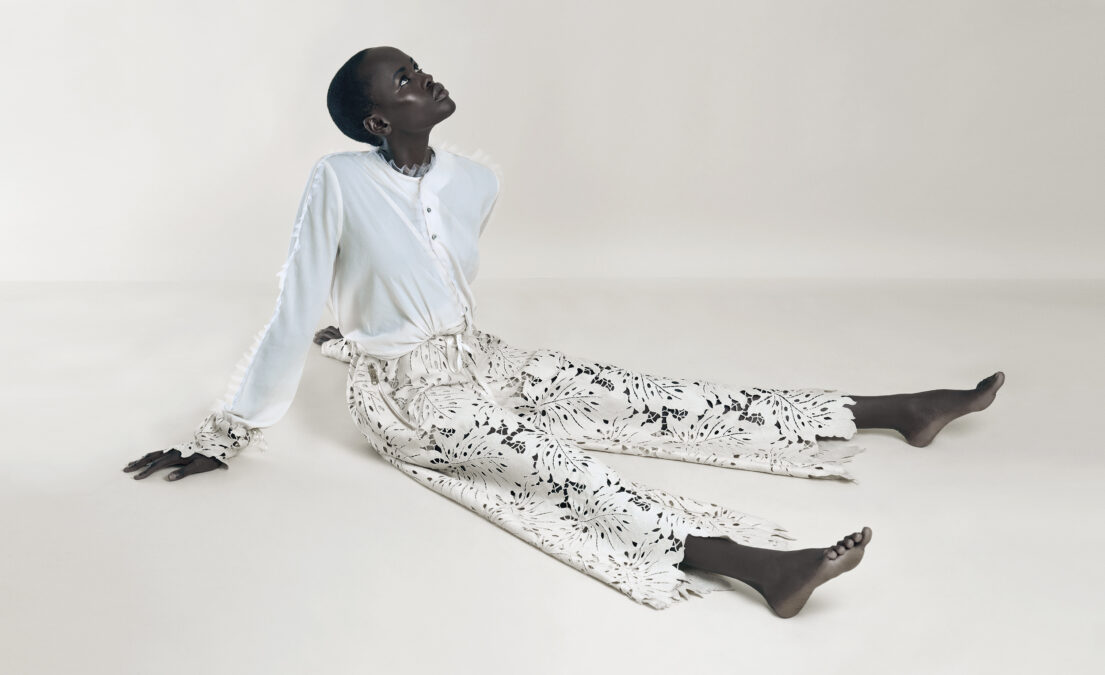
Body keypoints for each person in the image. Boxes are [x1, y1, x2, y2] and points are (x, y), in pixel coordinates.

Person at [123, 46, 1004, 617]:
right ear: (375, 121)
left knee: (653, 396)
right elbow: (297, 295)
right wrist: (229, 431)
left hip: (484, 358)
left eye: (418, 67)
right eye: (402, 81)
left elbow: (420, 277)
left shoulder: (474, 179)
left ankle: (893, 407)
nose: (423, 78)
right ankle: (754, 566)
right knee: (554, 468)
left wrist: (366, 319)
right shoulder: (337, 179)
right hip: (409, 398)